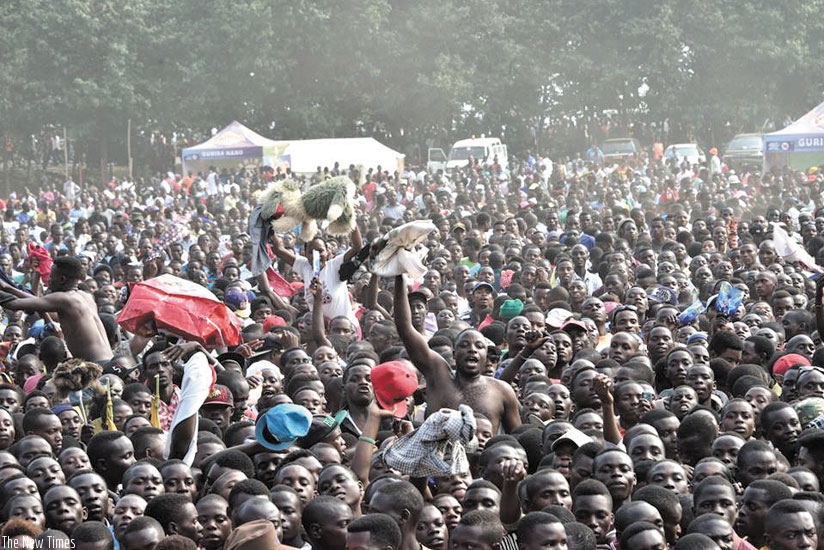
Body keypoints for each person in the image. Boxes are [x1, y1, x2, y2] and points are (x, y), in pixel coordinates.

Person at [394, 275, 520, 433]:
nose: (472, 349)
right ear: (454, 354)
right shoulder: (438, 376)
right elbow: (405, 328)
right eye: (464, 345)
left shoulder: (502, 391)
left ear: (486, 355)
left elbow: (515, 438)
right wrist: (399, 275)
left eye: (479, 346)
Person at [0, 256, 113, 362]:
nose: (48, 280)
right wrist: (8, 288)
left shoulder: (64, 299)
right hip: (110, 361)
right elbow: (37, 301)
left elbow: (13, 304)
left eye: (51, 276)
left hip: (96, 368)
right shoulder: (86, 297)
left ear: (62, 279)